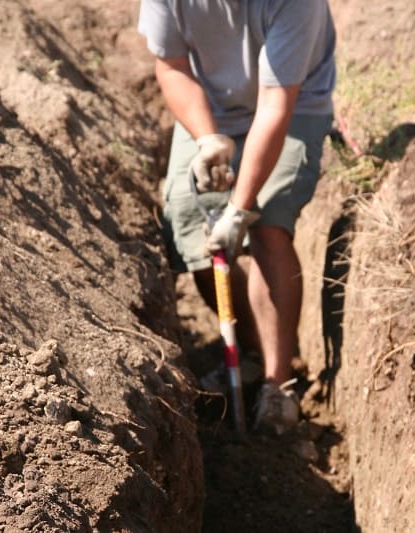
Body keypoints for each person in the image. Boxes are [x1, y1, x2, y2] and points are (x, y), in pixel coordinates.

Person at [139, 0, 336, 435]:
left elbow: (275, 105)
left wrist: (239, 208)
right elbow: (171, 65)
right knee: (191, 226)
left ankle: (278, 382)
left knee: (268, 223)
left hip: (294, 108)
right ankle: (251, 351)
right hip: (213, 110)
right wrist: (208, 138)